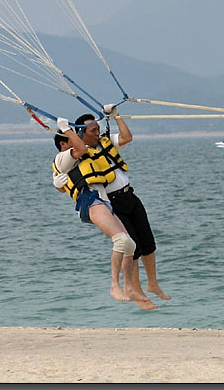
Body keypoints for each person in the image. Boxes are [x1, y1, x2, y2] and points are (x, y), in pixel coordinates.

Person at [51, 120, 155, 309]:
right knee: (122, 242)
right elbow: (81, 148)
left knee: (130, 244)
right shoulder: (62, 157)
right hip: (91, 202)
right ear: (63, 144)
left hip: (104, 201)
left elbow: (91, 153)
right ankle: (114, 286)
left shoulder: (77, 156)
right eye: (70, 139)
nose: (74, 142)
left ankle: (129, 288)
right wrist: (66, 128)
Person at [74, 105, 170, 303]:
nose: (97, 132)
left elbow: (127, 137)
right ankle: (136, 290)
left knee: (148, 242)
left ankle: (152, 283)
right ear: (82, 133)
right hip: (114, 203)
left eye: (98, 128)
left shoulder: (105, 143)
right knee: (132, 248)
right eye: (93, 130)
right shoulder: (80, 153)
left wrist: (116, 117)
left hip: (130, 196)